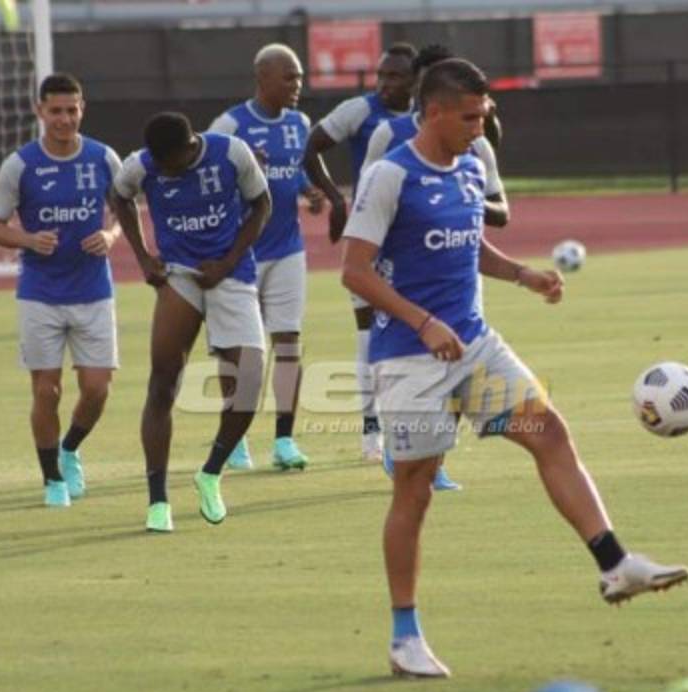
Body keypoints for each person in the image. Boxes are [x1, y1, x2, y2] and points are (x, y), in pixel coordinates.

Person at [341, 59, 688, 679]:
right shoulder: (388, 175)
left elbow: (469, 244)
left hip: (474, 345)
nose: (480, 128)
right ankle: (404, 636)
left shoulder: (473, 169)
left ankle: (614, 564)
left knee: (550, 433)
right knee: (415, 490)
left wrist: (521, 274)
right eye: (470, 117)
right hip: (409, 357)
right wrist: (423, 321)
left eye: (485, 116)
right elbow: (356, 272)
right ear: (435, 112)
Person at [363, 45, 513, 489]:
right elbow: (370, 202)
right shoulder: (388, 137)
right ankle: (398, 446)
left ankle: (436, 461)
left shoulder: (475, 144)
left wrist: (456, 202)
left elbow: (501, 211)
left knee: (457, 358)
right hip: (399, 267)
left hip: (460, 261)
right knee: (403, 358)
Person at [114, 112, 271, 533]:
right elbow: (118, 195)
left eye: (172, 165)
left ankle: (211, 472)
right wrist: (143, 256)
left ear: (188, 149)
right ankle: (158, 501)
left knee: (250, 386)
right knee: (163, 380)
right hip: (179, 276)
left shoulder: (230, 153)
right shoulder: (142, 164)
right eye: (159, 166)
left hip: (230, 275)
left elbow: (262, 203)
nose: (165, 172)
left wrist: (228, 261)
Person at [0, 73, 123, 508]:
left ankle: (69, 450)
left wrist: (111, 236)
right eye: (56, 111)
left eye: (72, 110)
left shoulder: (104, 159)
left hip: (94, 290)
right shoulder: (20, 165)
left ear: (82, 109)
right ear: (40, 111)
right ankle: (53, 480)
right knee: (47, 390)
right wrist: (28, 240)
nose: (64, 119)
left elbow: (126, 213)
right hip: (40, 293)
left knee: (98, 389)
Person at [208, 43, 322, 472]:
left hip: (288, 249)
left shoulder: (299, 123)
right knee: (236, 352)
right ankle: (234, 439)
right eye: (290, 77)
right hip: (241, 253)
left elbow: (296, 169)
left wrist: (308, 190)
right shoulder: (230, 124)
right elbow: (204, 174)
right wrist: (239, 168)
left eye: (299, 76)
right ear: (263, 79)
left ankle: (285, 440)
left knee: (288, 343)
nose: (298, 85)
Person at [304, 42, 416, 464]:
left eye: (395, 76)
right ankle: (372, 431)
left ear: (416, 80)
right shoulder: (360, 112)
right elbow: (310, 147)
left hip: (414, 242)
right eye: (381, 75)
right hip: (369, 236)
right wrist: (337, 200)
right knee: (368, 330)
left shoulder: (432, 118)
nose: (385, 84)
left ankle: (414, 424)